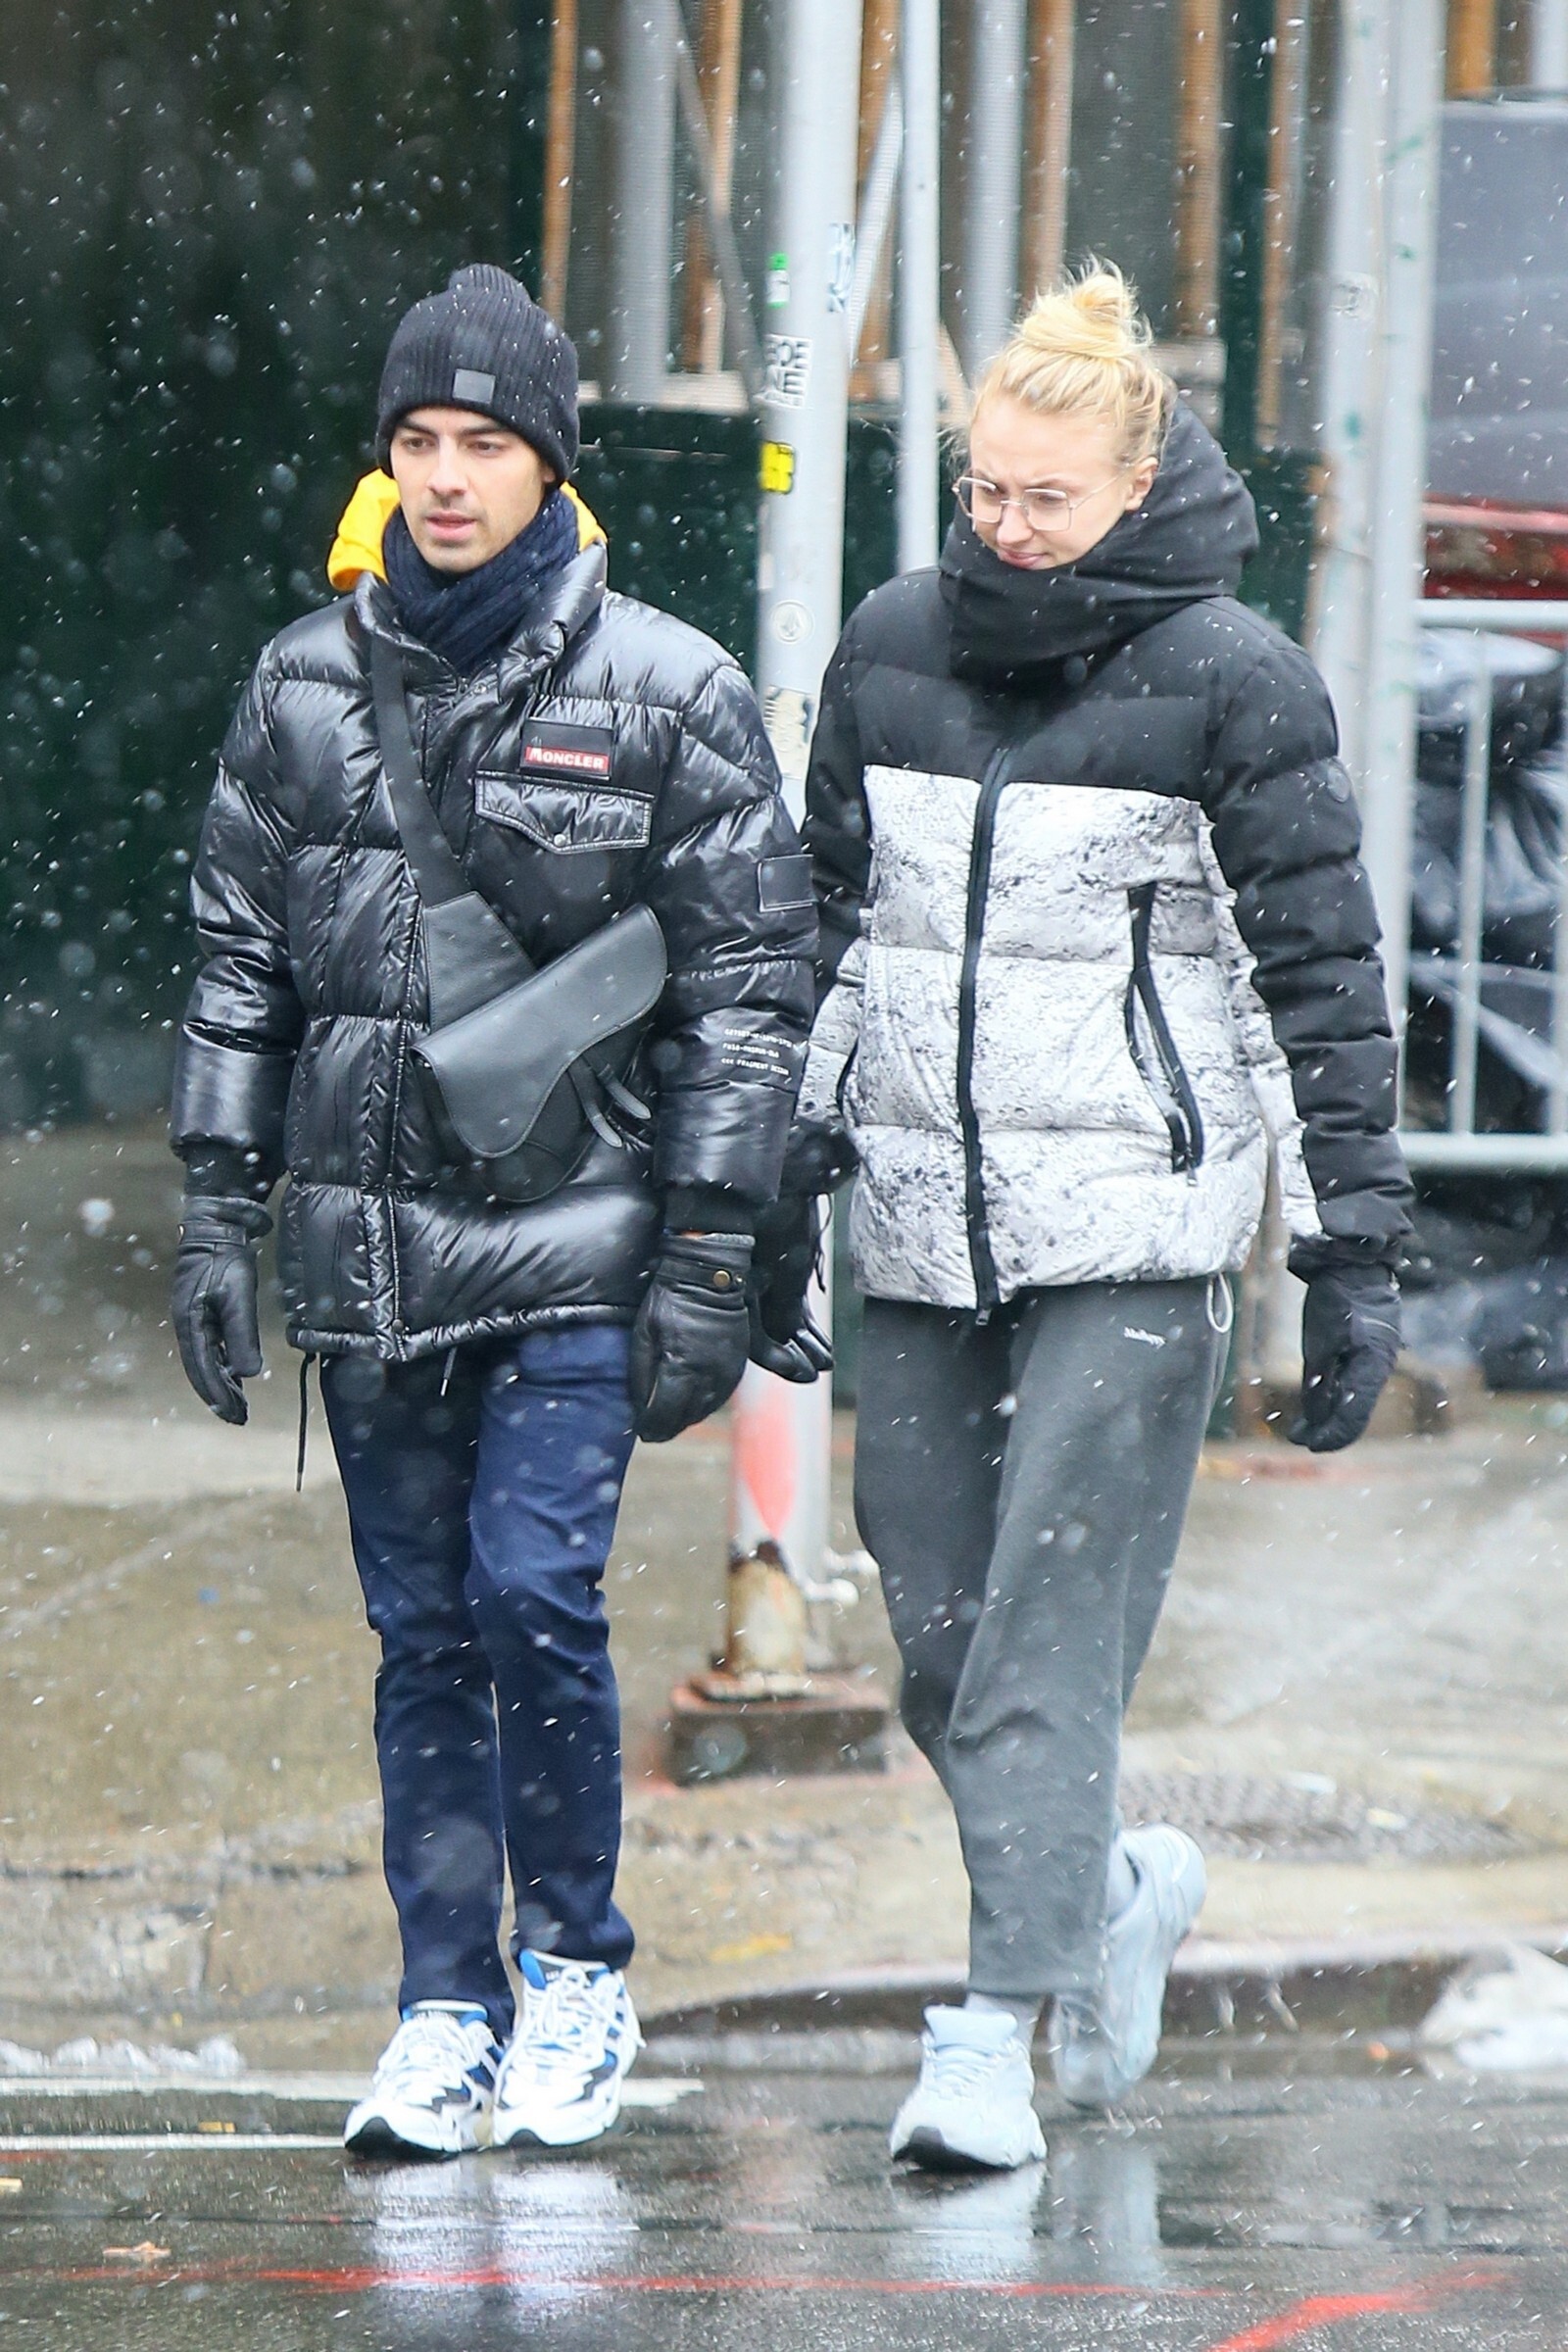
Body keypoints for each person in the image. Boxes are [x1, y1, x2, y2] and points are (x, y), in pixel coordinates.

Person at [168, 265, 817, 2158]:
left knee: (531, 1594)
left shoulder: (672, 689)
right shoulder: (300, 681)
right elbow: (234, 961)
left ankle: (579, 1968)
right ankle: (447, 2003)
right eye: (418, 442)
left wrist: (711, 1246)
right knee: (426, 1634)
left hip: (577, 1244)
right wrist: (215, 1207)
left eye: (486, 444)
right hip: (371, 1247)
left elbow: (748, 997)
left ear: (553, 465)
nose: (446, 478)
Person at [780, 265, 1409, 2172]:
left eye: (1046, 497)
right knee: (942, 1648)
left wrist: (1352, 1246)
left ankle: (991, 2033)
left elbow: (1319, 980)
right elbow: (825, 934)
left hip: (1133, 1234)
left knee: (1044, 1639)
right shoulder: (890, 645)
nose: (1006, 526)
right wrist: (765, 1182)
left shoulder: (1235, 680)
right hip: (921, 1224)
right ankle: (1113, 1888)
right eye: (983, 489)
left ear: (1137, 483)